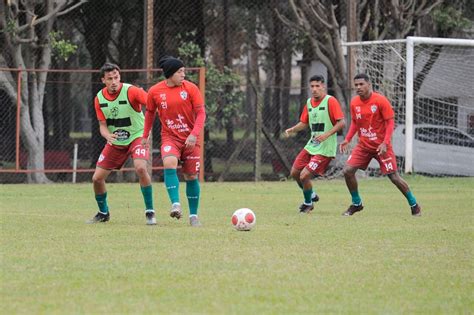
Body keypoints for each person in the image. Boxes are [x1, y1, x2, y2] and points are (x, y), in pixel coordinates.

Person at [339, 73, 421, 216]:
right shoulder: (354, 103)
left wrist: (385, 142)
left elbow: (390, 122)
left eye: (361, 84)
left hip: (381, 147)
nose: (358, 87)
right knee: (347, 171)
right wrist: (348, 138)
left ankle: (414, 204)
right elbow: (355, 123)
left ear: (369, 85)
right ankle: (357, 203)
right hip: (363, 145)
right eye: (356, 85)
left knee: (394, 177)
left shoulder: (381, 101)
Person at [87, 63, 156, 225]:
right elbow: (102, 125)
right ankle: (103, 213)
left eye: (116, 77)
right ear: (103, 80)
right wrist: (106, 136)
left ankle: (150, 212)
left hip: (137, 136)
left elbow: (151, 104)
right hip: (116, 140)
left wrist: (147, 131)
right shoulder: (99, 99)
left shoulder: (131, 91)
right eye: (109, 78)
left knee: (140, 168)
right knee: (97, 179)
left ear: (120, 77)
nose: (113, 81)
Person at [142, 56, 206, 227]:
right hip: (170, 137)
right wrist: (145, 135)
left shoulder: (191, 88)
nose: (183, 74)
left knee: (191, 176)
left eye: (184, 71)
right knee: (169, 163)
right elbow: (149, 114)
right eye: (180, 72)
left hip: (191, 139)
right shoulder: (155, 91)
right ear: (170, 74)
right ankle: (175, 204)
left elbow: (201, 113)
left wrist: (193, 134)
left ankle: (193, 216)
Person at [285, 75, 345, 213]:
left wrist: (326, 135)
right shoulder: (309, 103)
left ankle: (308, 203)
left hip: (325, 149)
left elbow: (341, 122)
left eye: (317, 86)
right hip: (312, 145)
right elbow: (304, 123)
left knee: (304, 175)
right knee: (295, 173)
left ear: (323, 86)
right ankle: (311, 194)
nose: (314, 89)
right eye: (312, 86)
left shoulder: (331, 101)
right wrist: (293, 129)